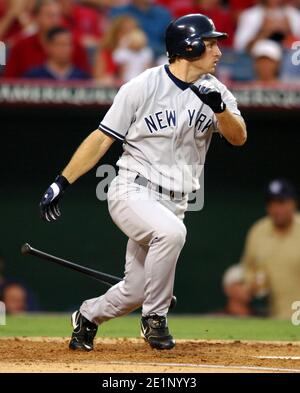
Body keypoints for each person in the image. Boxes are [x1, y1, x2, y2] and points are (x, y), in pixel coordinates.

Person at [39, 13, 247, 351]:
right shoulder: (141, 87)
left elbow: (239, 138)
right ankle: (155, 319)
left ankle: (87, 315)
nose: (218, 51)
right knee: (171, 234)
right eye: (210, 43)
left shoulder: (216, 91)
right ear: (189, 46)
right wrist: (62, 182)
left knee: (135, 290)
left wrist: (220, 110)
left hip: (176, 202)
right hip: (131, 190)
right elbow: (101, 139)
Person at [240, 179, 300, 319]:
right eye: (271, 204)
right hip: (275, 318)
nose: (276, 209)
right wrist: (252, 284)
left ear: (293, 203)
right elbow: (247, 268)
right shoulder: (258, 231)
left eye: (281, 202)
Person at [3, 0, 89, 78]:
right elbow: (10, 82)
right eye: (49, 15)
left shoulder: (75, 45)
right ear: (36, 18)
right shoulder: (21, 46)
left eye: (58, 15)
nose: (55, 20)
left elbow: (87, 81)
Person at [24, 26, 90, 80]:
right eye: (60, 44)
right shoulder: (33, 77)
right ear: (48, 47)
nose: (65, 48)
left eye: (68, 44)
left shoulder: (82, 77)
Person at [234, 0, 300, 52]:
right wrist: (264, 32)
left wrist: (289, 32)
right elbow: (239, 47)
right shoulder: (250, 15)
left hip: (288, 61)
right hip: (258, 60)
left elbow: (297, 50)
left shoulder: (295, 15)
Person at [93, 15, 138, 83]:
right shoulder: (106, 52)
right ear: (116, 33)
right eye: (124, 32)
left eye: (132, 32)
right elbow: (98, 78)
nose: (129, 36)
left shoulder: (141, 53)